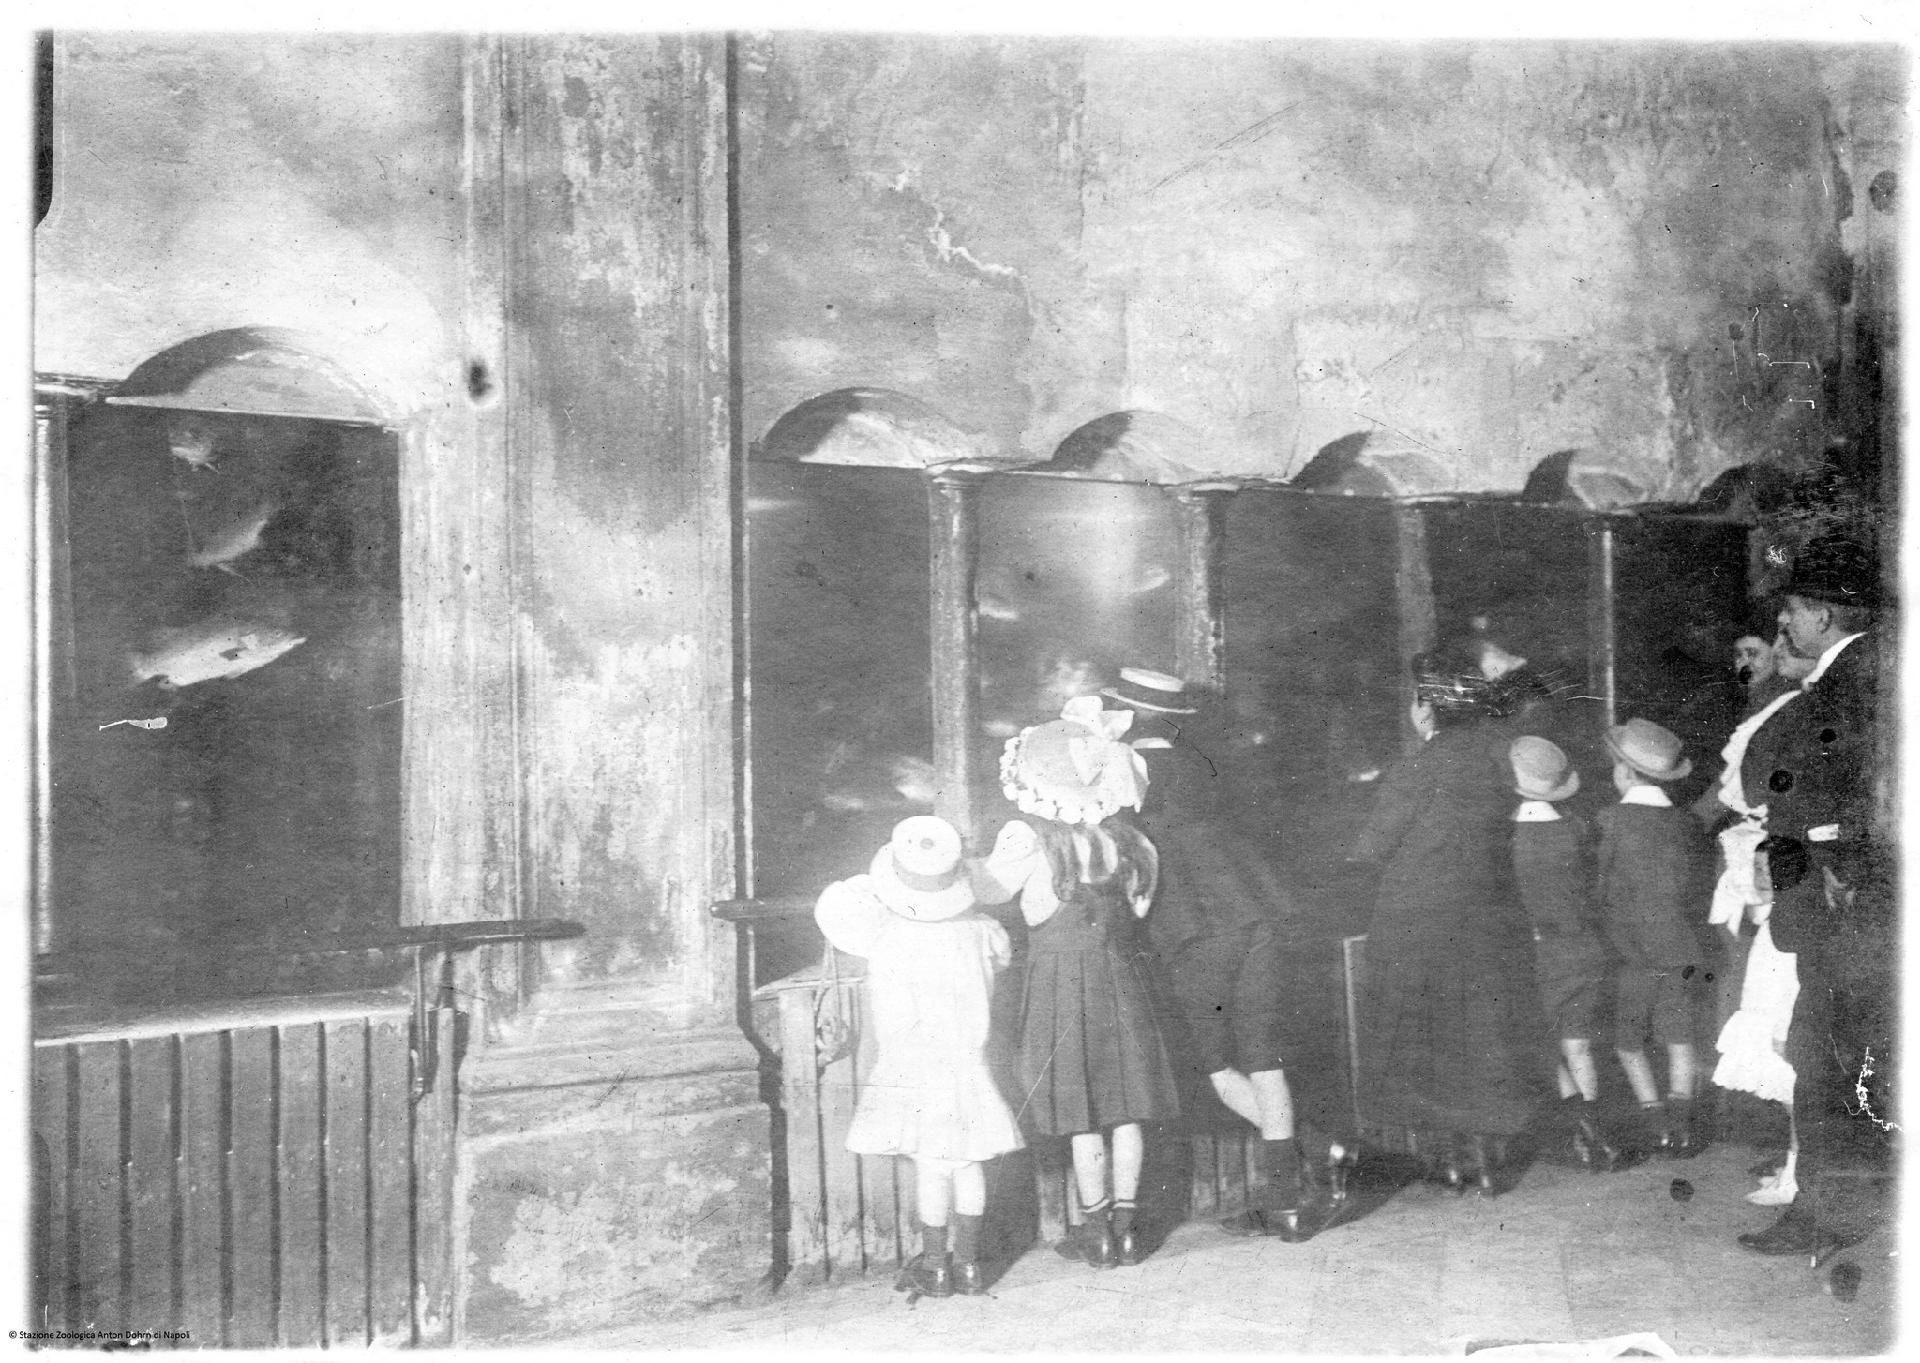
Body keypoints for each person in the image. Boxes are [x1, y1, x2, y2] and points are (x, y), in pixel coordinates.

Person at [1099, 666, 1340, 1240]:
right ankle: (1288, 1203)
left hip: (1196, 928)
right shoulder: (1201, 765)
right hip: (1259, 911)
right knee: (1264, 1059)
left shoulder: (1124, 772)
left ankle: (1318, 1152)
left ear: (1127, 717)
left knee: (1214, 1067)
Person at [974, 696, 1182, 1268]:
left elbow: (987, 890)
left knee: (1080, 1114)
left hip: (1058, 986)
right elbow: (1138, 913)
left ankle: (1098, 1233)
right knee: (1126, 1107)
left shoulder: (1032, 841)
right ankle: (1129, 1230)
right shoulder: (1133, 844)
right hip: (1119, 979)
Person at [1739, 535, 1890, 1259]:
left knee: (1826, 1057)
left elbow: (1866, 783)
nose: (1785, 625)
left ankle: (1828, 1214)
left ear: (1823, 615)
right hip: (1842, 899)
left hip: (1844, 906)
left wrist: (1839, 858)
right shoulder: (1867, 670)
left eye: (1792, 611)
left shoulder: (1849, 681)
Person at [1345, 650, 1545, 1196]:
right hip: (1483, 919)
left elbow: (1373, 848)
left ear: (1426, 707)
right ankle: (1485, 1160)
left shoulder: (1420, 766)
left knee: (1421, 1038)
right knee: (1477, 1035)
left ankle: (1449, 1160)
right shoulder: (1496, 758)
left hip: (1416, 923)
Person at [813, 815, 1026, 1299]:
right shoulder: (983, 931)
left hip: (913, 1064)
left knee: (932, 1164)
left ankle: (935, 1265)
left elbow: (848, 914)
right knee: (968, 1161)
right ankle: (968, 1265)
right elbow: (1001, 964)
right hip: (969, 1062)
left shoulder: (888, 935)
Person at [1705, 630, 1815, 1207]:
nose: (1749, 661)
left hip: (1789, 904)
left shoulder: (1792, 712)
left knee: (1788, 1037)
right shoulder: (1768, 710)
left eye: (1763, 649)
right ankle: (1793, 1159)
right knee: (1775, 1034)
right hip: (1772, 907)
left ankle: (1800, 1167)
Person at [1506, 735, 1633, 1173]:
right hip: (1586, 948)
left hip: (1541, 951)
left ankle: (1584, 1133)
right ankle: (1595, 1138)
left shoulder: (1506, 835)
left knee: (1541, 1045)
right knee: (1578, 1046)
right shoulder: (1577, 828)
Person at [1597, 718, 1713, 1158]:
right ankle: (1681, 1130)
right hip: (1680, 946)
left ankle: (1656, 1125)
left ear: (1625, 772)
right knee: (1678, 1037)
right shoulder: (1683, 823)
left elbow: (1602, 889)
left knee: (1629, 1042)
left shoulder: (1611, 820)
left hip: (1633, 951)